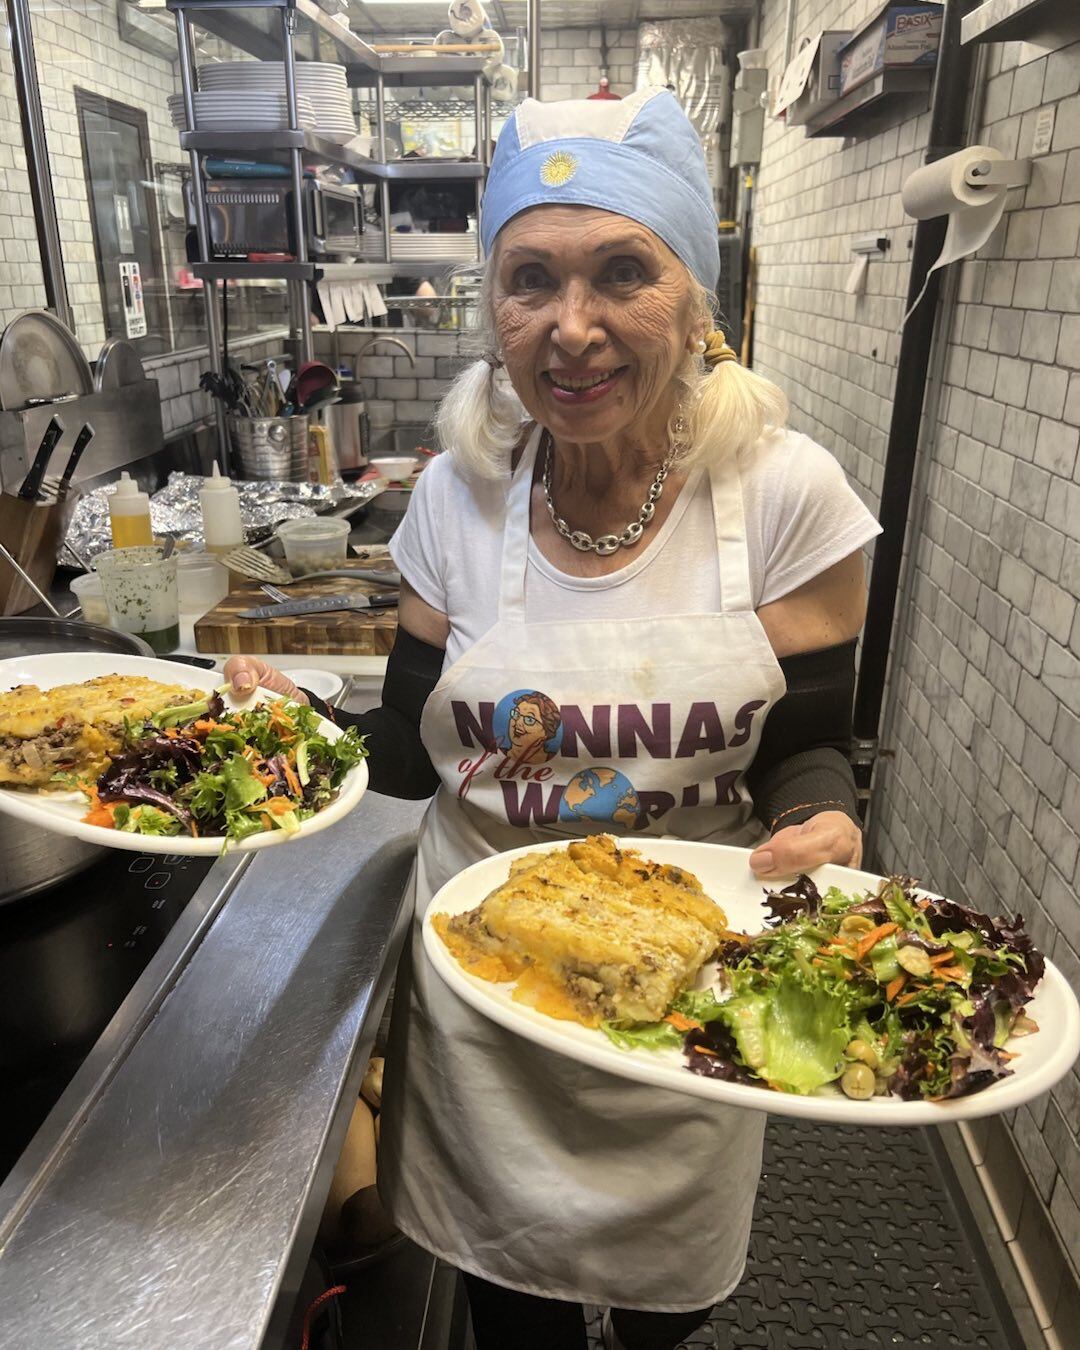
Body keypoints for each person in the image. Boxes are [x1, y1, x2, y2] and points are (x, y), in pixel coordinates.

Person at [226, 87, 881, 1350]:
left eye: (621, 274)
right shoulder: (455, 503)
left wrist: (823, 819)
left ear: (695, 303)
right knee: (507, 1314)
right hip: (487, 997)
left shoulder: (787, 498)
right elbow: (404, 764)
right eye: (531, 281)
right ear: (495, 311)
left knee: (662, 1320)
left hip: (685, 983)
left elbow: (808, 739)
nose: (572, 329)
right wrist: (283, 731)